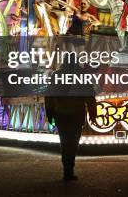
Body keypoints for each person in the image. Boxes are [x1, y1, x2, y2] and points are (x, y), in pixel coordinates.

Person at [44, 39, 97, 181]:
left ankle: (67, 170)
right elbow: (90, 96)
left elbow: (49, 96)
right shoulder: (81, 74)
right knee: (73, 144)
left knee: (65, 143)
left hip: (62, 116)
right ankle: (69, 169)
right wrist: (93, 113)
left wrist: (49, 113)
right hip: (76, 116)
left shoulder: (56, 75)